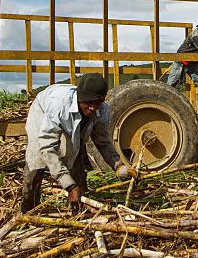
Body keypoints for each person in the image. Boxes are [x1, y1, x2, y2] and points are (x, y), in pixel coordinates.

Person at [22, 73, 134, 212]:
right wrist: (69, 186)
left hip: (71, 120)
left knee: (76, 156)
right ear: (80, 99)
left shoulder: (102, 109)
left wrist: (118, 165)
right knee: (36, 161)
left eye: (98, 103)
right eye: (89, 103)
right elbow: (47, 146)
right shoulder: (59, 106)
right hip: (43, 110)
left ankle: (80, 206)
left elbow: (102, 141)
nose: (93, 108)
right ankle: (28, 210)